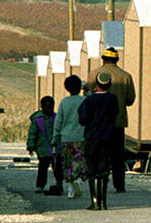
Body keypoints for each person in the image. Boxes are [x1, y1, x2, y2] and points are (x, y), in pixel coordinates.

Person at [85, 46, 135, 194]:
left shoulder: (93, 74)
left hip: (97, 124)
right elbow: (130, 99)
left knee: (99, 154)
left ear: (103, 59)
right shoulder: (126, 76)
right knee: (118, 155)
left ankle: (99, 184)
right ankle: (119, 185)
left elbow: (88, 96)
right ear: (117, 59)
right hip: (117, 122)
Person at [78, 71, 120, 211]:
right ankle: (103, 202)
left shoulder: (89, 101)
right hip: (108, 138)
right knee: (104, 170)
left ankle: (94, 201)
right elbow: (115, 115)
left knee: (92, 170)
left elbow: (82, 120)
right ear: (109, 84)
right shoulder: (112, 99)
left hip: (91, 138)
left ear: (96, 84)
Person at [53, 75, 87, 199]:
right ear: (80, 87)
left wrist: (55, 136)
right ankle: (79, 181)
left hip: (66, 137)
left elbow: (58, 121)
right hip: (82, 136)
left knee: (67, 164)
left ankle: (70, 190)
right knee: (80, 161)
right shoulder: (84, 101)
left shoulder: (64, 102)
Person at [27, 95, 60, 194]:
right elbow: (32, 134)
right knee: (42, 168)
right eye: (47, 107)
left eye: (51, 107)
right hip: (43, 149)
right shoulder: (38, 120)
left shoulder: (56, 118)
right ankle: (40, 185)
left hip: (55, 148)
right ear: (42, 107)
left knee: (58, 167)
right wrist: (31, 146)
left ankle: (59, 183)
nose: (49, 110)